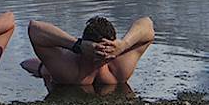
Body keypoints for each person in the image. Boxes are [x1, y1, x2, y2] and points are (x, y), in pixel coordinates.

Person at [21, 16, 154, 85]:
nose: (101, 57)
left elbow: (147, 24)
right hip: (47, 68)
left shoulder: (118, 67)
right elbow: (34, 28)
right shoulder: (70, 70)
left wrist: (124, 44)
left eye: (106, 51)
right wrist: (77, 45)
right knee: (36, 67)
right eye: (95, 53)